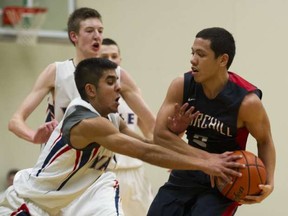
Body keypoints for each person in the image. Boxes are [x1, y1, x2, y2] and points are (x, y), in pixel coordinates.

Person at [0, 58, 245, 215]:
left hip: (80, 198)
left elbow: (150, 143)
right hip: (33, 202)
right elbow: (145, 153)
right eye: (110, 82)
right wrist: (206, 163)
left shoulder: (111, 118)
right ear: (91, 90)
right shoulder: (87, 121)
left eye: (117, 81)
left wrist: (177, 132)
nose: (118, 87)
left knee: (108, 184)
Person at [147, 27, 276, 216]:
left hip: (225, 179)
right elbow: (159, 136)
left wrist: (269, 183)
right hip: (188, 169)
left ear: (222, 60)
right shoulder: (181, 86)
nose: (193, 59)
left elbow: (265, 140)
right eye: (192, 53)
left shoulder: (247, 102)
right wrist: (206, 159)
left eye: (201, 54)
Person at [8, 7, 154, 147]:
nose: (97, 36)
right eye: (89, 31)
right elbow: (15, 121)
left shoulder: (119, 74)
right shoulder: (56, 71)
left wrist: (167, 151)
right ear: (74, 36)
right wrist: (33, 136)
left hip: (99, 168)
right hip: (59, 165)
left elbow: (151, 124)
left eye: (100, 31)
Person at [99, 38, 154, 216]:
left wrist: (168, 153)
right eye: (104, 56)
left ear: (120, 60)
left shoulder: (131, 92)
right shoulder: (92, 96)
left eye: (114, 56)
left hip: (135, 170)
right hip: (106, 173)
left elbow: (146, 130)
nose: (110, 59)